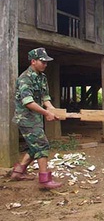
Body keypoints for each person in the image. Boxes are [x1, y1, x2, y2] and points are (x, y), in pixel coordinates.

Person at [11, 47, 62, 189]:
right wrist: (46, 114)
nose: (45, 64)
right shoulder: (24, 79)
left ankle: (18, 172)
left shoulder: (42, 77)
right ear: (33, 61)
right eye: (42, 61)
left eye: (46, 62)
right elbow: (28, 102)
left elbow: (45, 97)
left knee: (34, 146)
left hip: (35, 118)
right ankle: (44, 181)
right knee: (42, 144)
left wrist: (52, 109)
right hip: (26, 118)